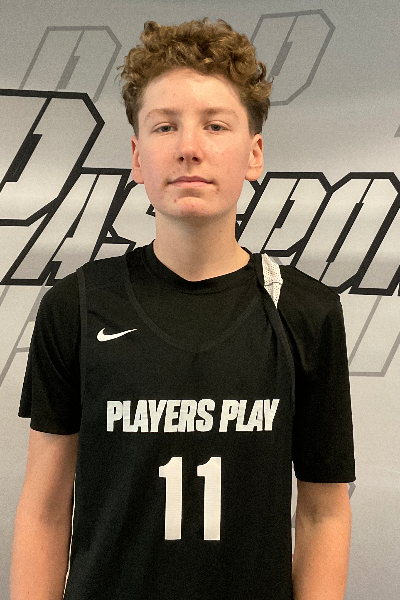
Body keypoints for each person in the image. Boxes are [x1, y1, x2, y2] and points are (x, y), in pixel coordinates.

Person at [10, 17, 355, 600]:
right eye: (165, 126)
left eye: (215, 125)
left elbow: (324, 512)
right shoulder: (77, 306)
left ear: (254, 154)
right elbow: (44, 511)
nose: (190, 148)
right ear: (137, 156)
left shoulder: (306, 311)